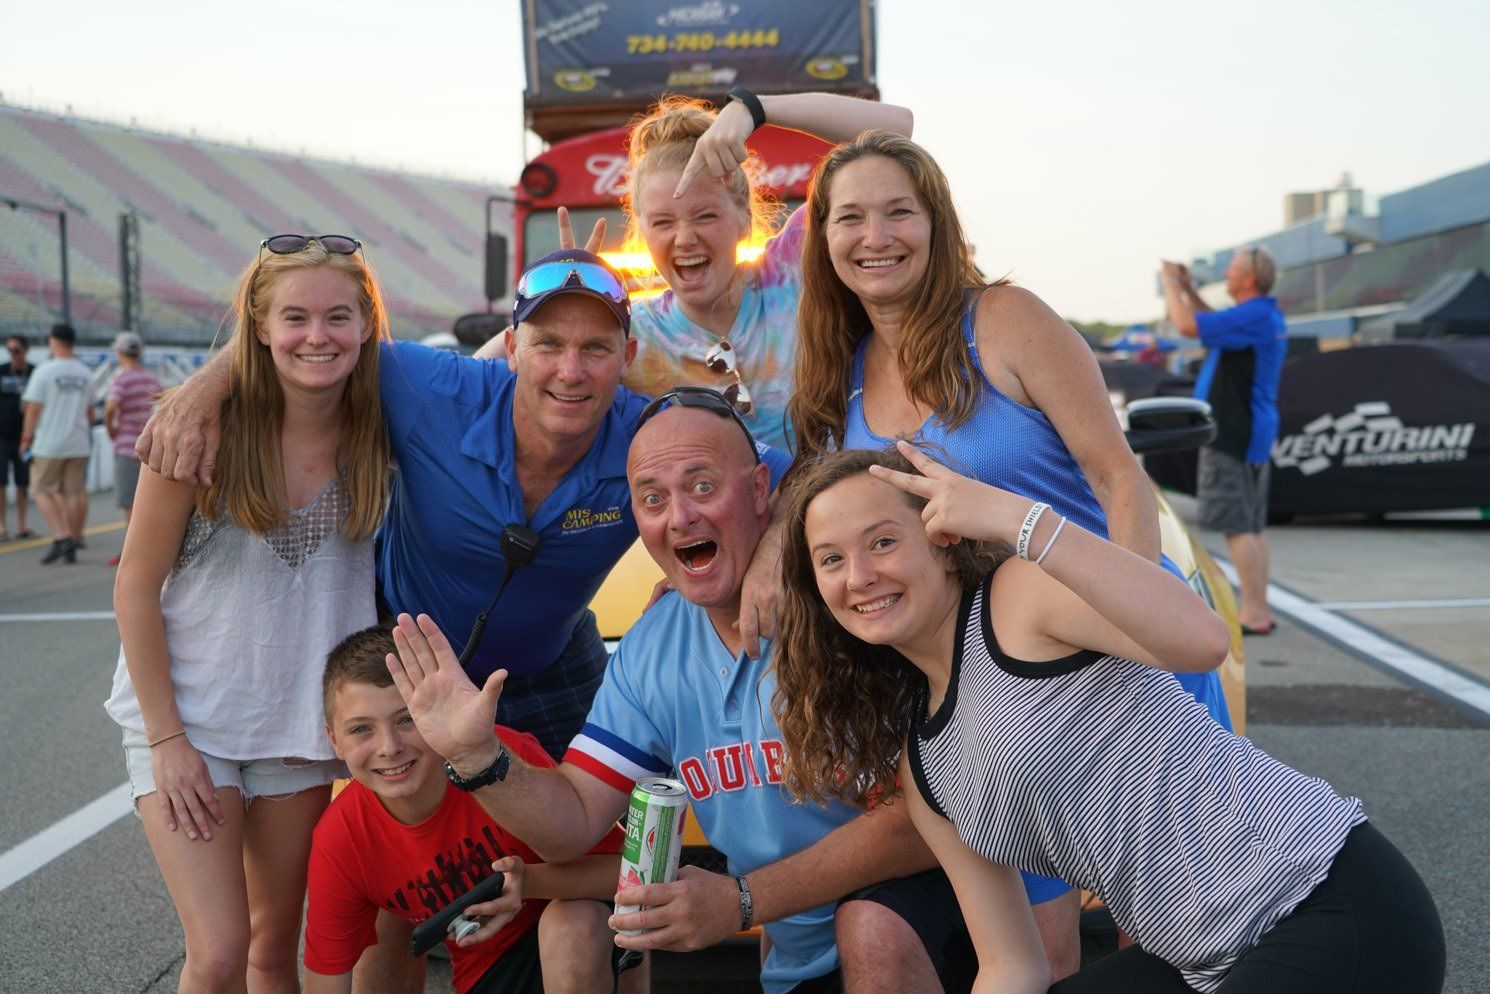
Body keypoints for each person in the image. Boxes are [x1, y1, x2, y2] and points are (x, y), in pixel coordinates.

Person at [784, 129, 1233, 972]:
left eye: (897, 213)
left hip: (1110, 659)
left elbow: (1119, 480)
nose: (875, 236)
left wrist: (1134, 657)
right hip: (992, 703)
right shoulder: (834, 374)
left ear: (937, 223)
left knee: (1179, 927)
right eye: (850, 218)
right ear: (824, 239)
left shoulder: (1004, 321)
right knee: (1043, 954)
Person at [774, 442, 1445, 994]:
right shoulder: (926, 773)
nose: (858, 575)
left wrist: (1017, 519)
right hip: (1205, 963)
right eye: (831, 559)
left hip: (1326, 901)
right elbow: (1012, 965)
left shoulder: (1017, 602)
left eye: (882, 541)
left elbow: (1201, 638)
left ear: (944, 542)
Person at [383, 392, 986, 994]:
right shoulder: (654, 647)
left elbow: (931, 811)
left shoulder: (849, 594)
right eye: (652, 499)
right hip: (797, 963)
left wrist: (742, 901)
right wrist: (479, 757)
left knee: (872, 926)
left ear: (758, 491)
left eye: (702, 487)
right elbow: (571, 820)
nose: (678, 518)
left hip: (951, 931)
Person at [138, 249, 787, 762]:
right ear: (511, 348)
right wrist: (201, 389)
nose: (571, 370)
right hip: (405, 661)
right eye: (549, 345)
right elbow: (313, 339)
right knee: (398, 884)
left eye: (595, 348)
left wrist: (770, 557)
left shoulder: (650, 436)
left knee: (597, 847)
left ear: (629, 357)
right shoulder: (432, 390)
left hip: (548, 662)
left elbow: (787, 478)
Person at [106, 234, 391, 994]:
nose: (317, 336)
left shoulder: (385, 431)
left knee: (273, 947)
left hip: (298, 722)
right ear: (258, 327)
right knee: (221, 950)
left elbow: (512, 360)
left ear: (366, 324)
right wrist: (166, 738)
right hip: (188, 719)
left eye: (338, 316)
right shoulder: (197, 430)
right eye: (294, 317)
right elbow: (135, 585)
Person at [478, 89, 913, 451]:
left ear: (744, 217)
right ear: (642, 233)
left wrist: (755, 108)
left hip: (835, 529)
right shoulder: (632, 335)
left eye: (705, 217)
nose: (684, 238)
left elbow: (897, 131)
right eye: (664, 223)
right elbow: (487, 369)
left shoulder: (795, 270)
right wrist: (567, 290)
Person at [306, 626, 638, 994]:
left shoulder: (497, 762)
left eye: (406, 719)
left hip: (581, 938)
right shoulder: (340, 838)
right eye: (361, 729)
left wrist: (531, 882)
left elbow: (635, 873)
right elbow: (327, 977)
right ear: (333, 739)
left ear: (437, 712)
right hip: (487, 965)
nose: (390, 747)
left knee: (574, 925)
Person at [1162, 250, 1286, 635]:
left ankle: (1254, 613)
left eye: (1232, 269)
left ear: (1249, 278)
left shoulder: (1254, 315)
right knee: (1250, 524)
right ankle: (1259, 607)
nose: (1227, 274)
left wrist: (1169, 284)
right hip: (1252, 429)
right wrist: (1188, 288)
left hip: (1235, 429)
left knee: (1238, 526)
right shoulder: (1261, 314)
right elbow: (1208, 321)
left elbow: (1186, 326)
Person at [20, 323, 93, 564]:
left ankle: (62, 537)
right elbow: (91, 413)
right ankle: (70, 540)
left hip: (50, 443)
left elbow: (32, 409)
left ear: (54, 341)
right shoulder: (85, 372)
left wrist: (26, 438)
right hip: (78, 442)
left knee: (40, 490)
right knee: (72, 493)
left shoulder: (45, 370)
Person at [104, 331, 162, 566]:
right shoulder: (152, 379)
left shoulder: (121, 378)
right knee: (150, 503)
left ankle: (133, 553)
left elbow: (111, 407)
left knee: (130, 503)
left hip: (128, 447)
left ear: (119, 353)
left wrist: (111, 428)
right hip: (150, 447)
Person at [0, 333, 36, 541]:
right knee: (1, 482)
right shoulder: (2, 370)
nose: (13, 354)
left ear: (25, 350)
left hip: (25, 437)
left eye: (16, 350)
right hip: (2, 435)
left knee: (23, 482)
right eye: (10, 350)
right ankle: (2, 526)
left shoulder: (34, 372)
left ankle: (22, 525)